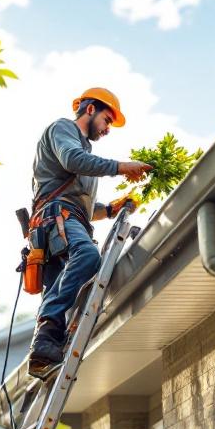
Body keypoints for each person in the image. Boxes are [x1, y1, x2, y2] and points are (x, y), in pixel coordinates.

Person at [27, 87, 152, 378]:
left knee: (63, 286)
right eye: (108, 120)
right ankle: (47, 331)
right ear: (90, 109)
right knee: (87, 256)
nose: (108, 129)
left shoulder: (84, 152)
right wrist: (122, 167)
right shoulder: (63, 130)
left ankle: (45, 345)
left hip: (68, 220)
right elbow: (71, 162)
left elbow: (80, 204)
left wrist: (109, 209)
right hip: (56, 219)